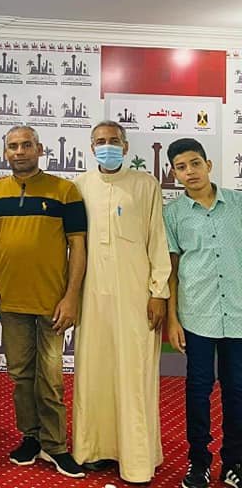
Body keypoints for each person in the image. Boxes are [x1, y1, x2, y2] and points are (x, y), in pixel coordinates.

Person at [0, 125, 87, 479]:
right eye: (13, 146)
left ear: (40, 149)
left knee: (51, 379)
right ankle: (30, 438)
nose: (20, 151)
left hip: (53, 303)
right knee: (21, 376)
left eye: (27, 145)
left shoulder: (65, 191)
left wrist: (71, 297)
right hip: (11, 303)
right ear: (5, 153)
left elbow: (78, 247)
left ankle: (55, 446)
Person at [71, 121, 170, 483]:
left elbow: (157, 239)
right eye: (100, 141)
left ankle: (137, 460)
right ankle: (93, 450)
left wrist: (158, 292)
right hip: (92, 296)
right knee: (93, 372)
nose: (107, 146)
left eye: (114, 141)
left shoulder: (146, 185)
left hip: (136, 297)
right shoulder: (79, 186)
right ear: (91, 147)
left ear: (126, 147)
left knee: (134, 375)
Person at [163, 138, 242, 488]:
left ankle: (234, 462)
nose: (190, 172)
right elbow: (171, 270)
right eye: (181, 167)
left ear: (208, 165)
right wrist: (173, 319)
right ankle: (199, 463)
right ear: (174, 173)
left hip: (238, 315)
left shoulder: (238, 204)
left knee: (237, 390)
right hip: (197, 315)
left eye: (195, 163)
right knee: (198, 390)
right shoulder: (172, 214)